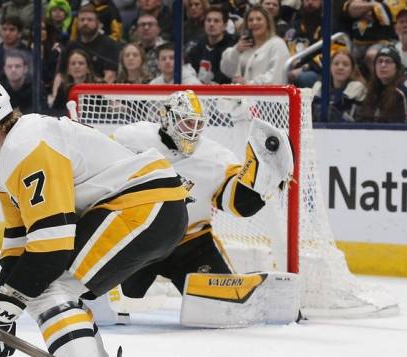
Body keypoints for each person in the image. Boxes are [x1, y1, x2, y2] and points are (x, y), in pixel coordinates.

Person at [0, 75, 188, 357]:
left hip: (144, 206)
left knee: (49, 289)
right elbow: (21, 242)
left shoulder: (29, 147)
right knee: (48, 287)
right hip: (145, 207)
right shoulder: (4, 159)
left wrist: (5, 307)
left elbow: (50, 251)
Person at [112, 90, 296, 326]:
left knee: (226, 310)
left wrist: (262, 182)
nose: (193, 131)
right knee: (105, 303)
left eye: (198, 125)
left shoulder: (215, 157)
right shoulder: (131, 138)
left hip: (191, 245)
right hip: (139, 240)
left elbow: (238, 205)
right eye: (187, 123)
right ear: (167, 119)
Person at [220, 5, 290, 84]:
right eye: (250, 20)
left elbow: (276, 77)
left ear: (268, 23)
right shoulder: (244, 45)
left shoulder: (278, 44)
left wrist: (248, 84)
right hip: (241, 94)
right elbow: (226, 70)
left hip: (267, 95)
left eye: (259, 19)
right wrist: (236, 51)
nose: (254, 22)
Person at [356, 44, 407, 123]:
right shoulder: (372, 89)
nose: (383, 65)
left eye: (388, 61)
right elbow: (362, 118)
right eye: (380, 61)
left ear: (397, 67)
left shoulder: (403, 90)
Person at [59, 4, 121, 83]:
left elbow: (110, 76)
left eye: (89, 20)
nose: (85, 23)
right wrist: (55, 94)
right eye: (82, 20)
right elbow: (60, 75)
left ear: (98, 23)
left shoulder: (110, 45)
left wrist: (92, 94)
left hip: (100, 92)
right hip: (73, 91)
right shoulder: (70, 46)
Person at [312, 48, 367, 122]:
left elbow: (340, 108)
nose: (340, 67)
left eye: (345, 64)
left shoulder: (357, 87)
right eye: (336, 64)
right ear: (330, 67)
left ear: (352, 69)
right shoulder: (320, 86)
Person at [186, 5, 235, 84]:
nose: (211, 24)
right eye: (208, 20)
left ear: (225, 26)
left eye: (216, 21)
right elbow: (188, 67)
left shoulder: (230, 48)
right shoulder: (199, 44)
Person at [0, 49, 34, 113]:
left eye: (17, 66)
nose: (13, 70)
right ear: (4, 69)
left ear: (25, 68)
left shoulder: (36, 87)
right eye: (9, 66)